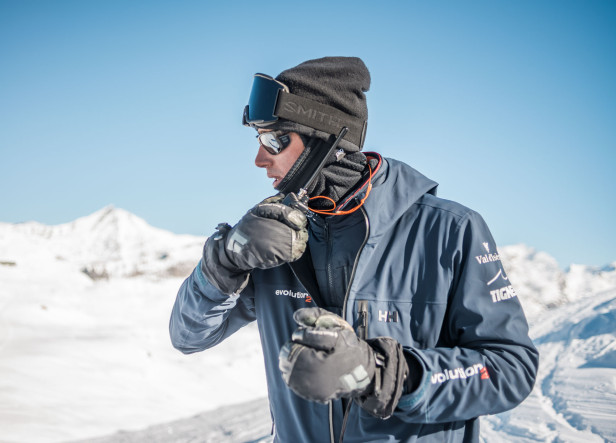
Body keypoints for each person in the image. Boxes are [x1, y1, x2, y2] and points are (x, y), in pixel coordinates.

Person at [170, 56, 539, 442]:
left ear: (325, 138)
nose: (260, 159)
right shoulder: (270, 238)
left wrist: (384, 375)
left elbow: (510, 368)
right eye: (259, 140)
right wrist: (223, 261)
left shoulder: (450, 231)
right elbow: (188, 335)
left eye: (275, 140)